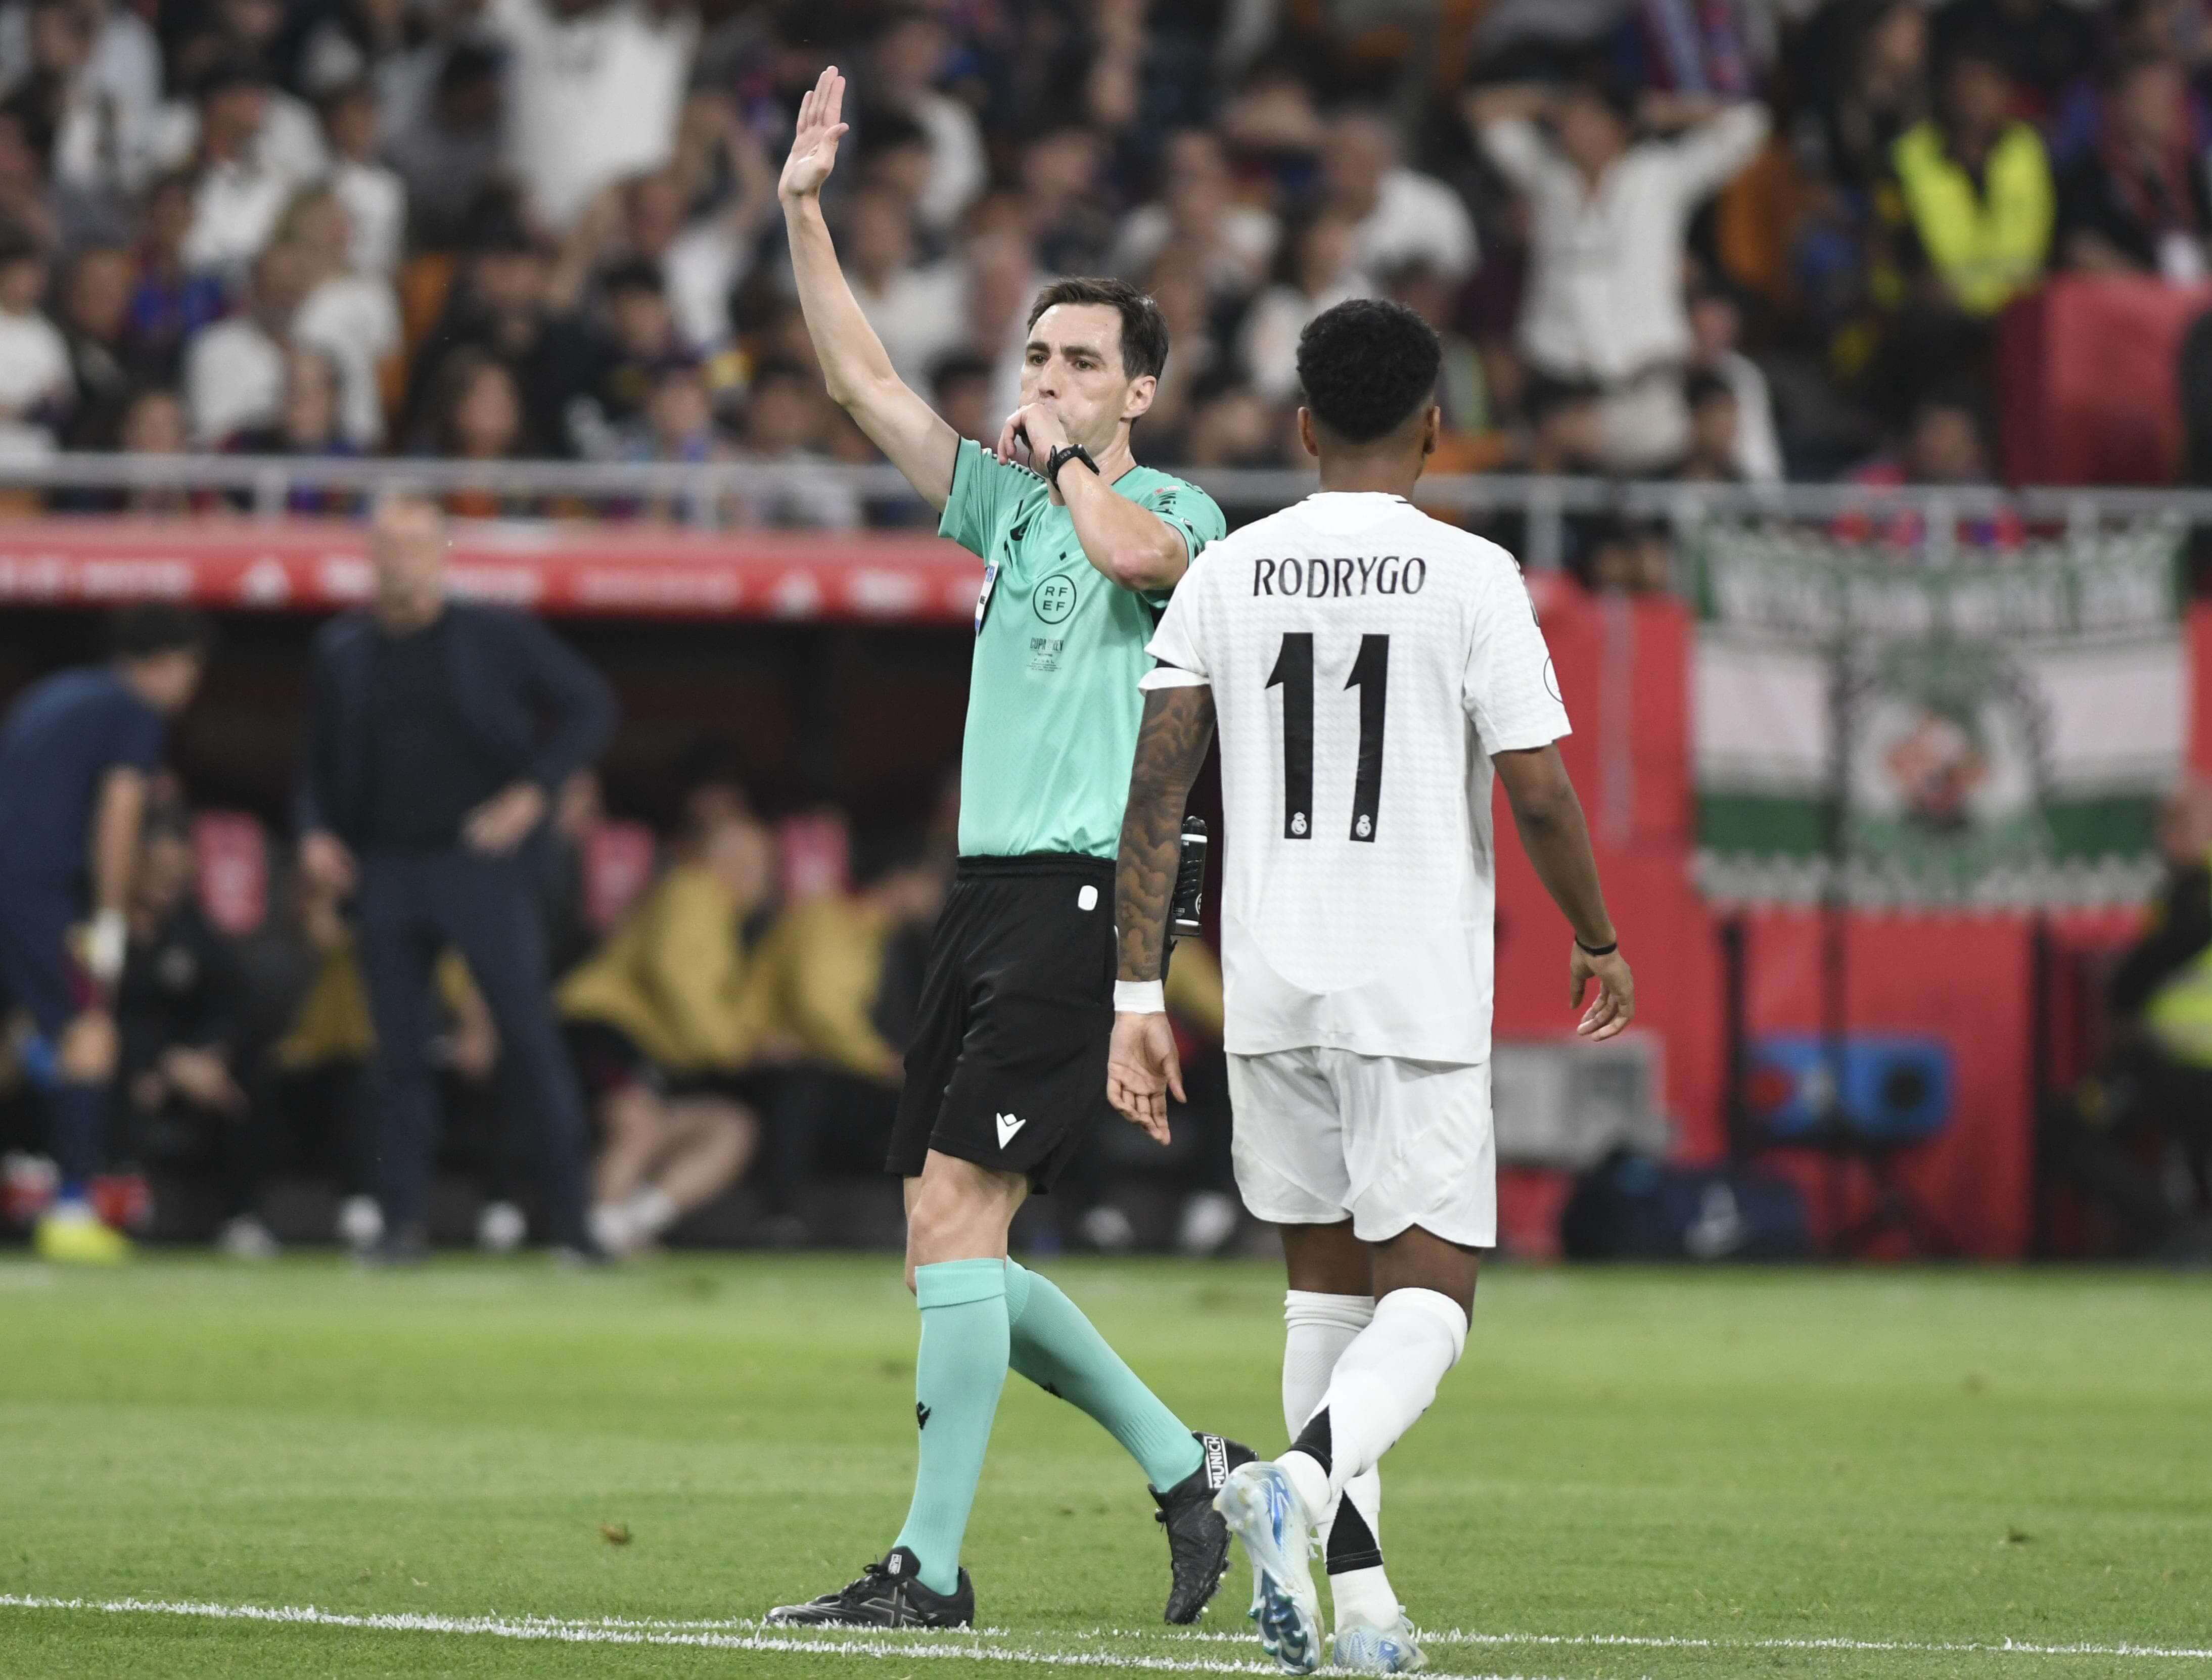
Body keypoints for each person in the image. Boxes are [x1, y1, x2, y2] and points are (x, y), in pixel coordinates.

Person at [764, 66, 1248, 1633]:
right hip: (985, 895)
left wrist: (1057, 460)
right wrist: (803, 212)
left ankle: (931, 1568)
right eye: (1036, 351)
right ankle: (1191, 1469)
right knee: (944, 1253)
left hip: (1085, 893)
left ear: (1136, 395)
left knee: (960, 1225)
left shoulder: (1170, 502)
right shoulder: (1007, 505)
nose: (1043, 374)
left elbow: (1132, 552)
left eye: (1080, 360)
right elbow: (866, 391)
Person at [1106, 298, 1635, 1675]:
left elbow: (1157, 787)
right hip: (1409, 978)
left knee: (1324, 1299)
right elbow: (1538, 784)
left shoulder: (1229, 569)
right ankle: (1306, 1476)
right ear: (1434, 427)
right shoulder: (1472, 574)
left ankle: (1369, 1614)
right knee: (1436, 1296)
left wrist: (1136, 994)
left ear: (1300, 427)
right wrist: (1596, 932)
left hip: (1271, 979)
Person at [296, 490, 615, 1262]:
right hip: (388, 866)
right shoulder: (342, 651)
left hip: (481, 867)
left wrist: (532, 793)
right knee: (397, 1057)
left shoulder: (494, 636)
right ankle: (399, 1225)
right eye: (387, 543)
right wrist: (313, 835)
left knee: (527, 1039)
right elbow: (315, 762)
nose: (398, 558)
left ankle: (574, 1226)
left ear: (441, 552)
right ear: (370, 555)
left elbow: (589, 707)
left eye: (414, 543)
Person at [0, 604, 209, 1263]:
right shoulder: (133, 711)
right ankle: (70, 1210)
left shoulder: (52, 694)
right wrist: (113, 920)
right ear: (170, 662)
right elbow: (119, 818)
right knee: (90, 1034)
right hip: (39, 892)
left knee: (13, 1042)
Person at [556, 806, 773, 1256]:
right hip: (603, 1026)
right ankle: (592, 1234)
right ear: (726, 862)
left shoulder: (719, 915)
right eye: (758, 864)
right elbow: (675, 977)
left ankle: (633, 1221)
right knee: (637, 1124)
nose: (764, 878)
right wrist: (732, 1046)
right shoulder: (693, 892)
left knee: (730, 1128)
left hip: (654, 1051)